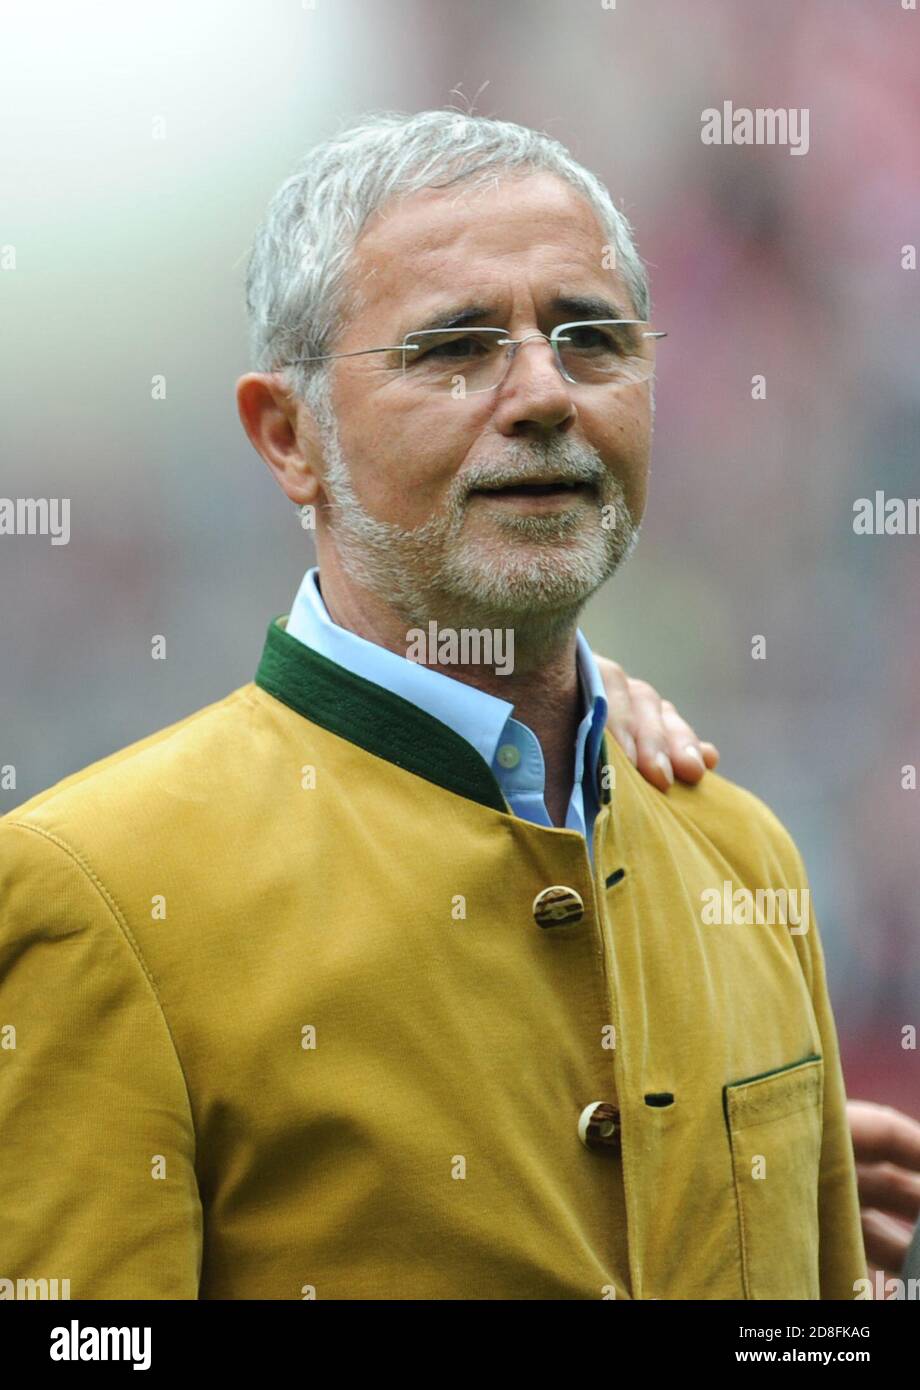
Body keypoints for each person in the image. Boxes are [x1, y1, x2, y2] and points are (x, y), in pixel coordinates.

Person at [0, 109, 910, 1300]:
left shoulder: (741, 854)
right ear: (289, 437)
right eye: (452, 348)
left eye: (589, 337)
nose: (542, 391)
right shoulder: (92, 888)